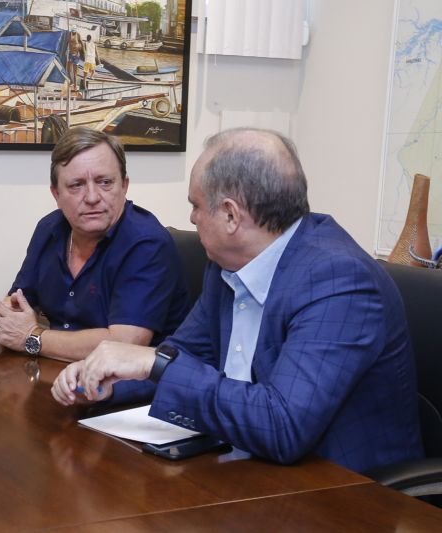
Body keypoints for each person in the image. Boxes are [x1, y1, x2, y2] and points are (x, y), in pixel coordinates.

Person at [51, 127, 422, 473]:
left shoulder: (338, 282)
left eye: (195, 205)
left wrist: (152, 364)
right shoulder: (227, 263)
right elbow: (185, 354)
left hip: (342, 493)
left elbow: (283, 426)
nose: (191, 218)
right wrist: (108, 380)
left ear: (230, 214)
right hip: (241, 466)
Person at [0, 127, 189, 362]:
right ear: (56, 193)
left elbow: (124, 344)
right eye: (77, 185)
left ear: (124, 186)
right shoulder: (50, 229)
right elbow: (20, 302)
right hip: (59, 371)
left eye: (105, 182)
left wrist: (31, 337)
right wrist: (3, 317)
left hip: (130, 387)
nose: (93, 197)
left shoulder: (146, 243)